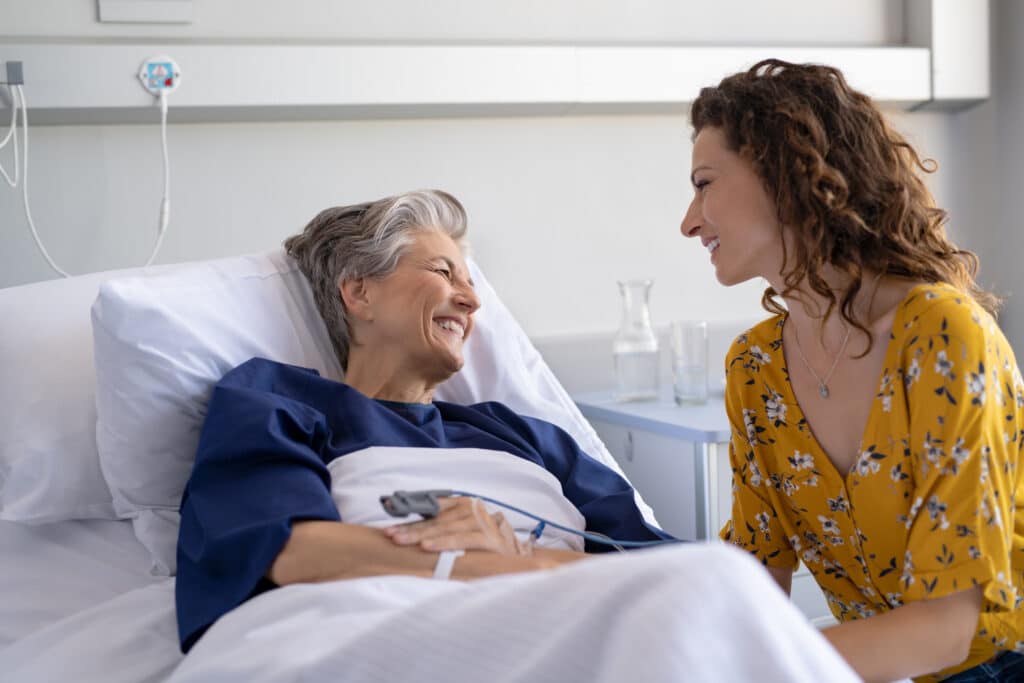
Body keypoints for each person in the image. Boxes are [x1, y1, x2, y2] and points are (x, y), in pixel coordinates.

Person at [173, 189, 674, 654]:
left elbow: (664, 569)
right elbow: (287, 550)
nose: (472, 300)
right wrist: (489, 567)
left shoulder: (522, 435)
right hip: (400, 630)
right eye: (444, 272)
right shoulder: (278, 400)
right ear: (359, 294)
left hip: (580, 628)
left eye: (471, 283)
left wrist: (524, 560)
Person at [681, 59, 1024, 682]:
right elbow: (756, 580)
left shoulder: (943, 335)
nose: (690, 221)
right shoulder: (755, 369)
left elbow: (949, 630)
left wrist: (751, 666)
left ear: (785, 169)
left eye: (705, 183)